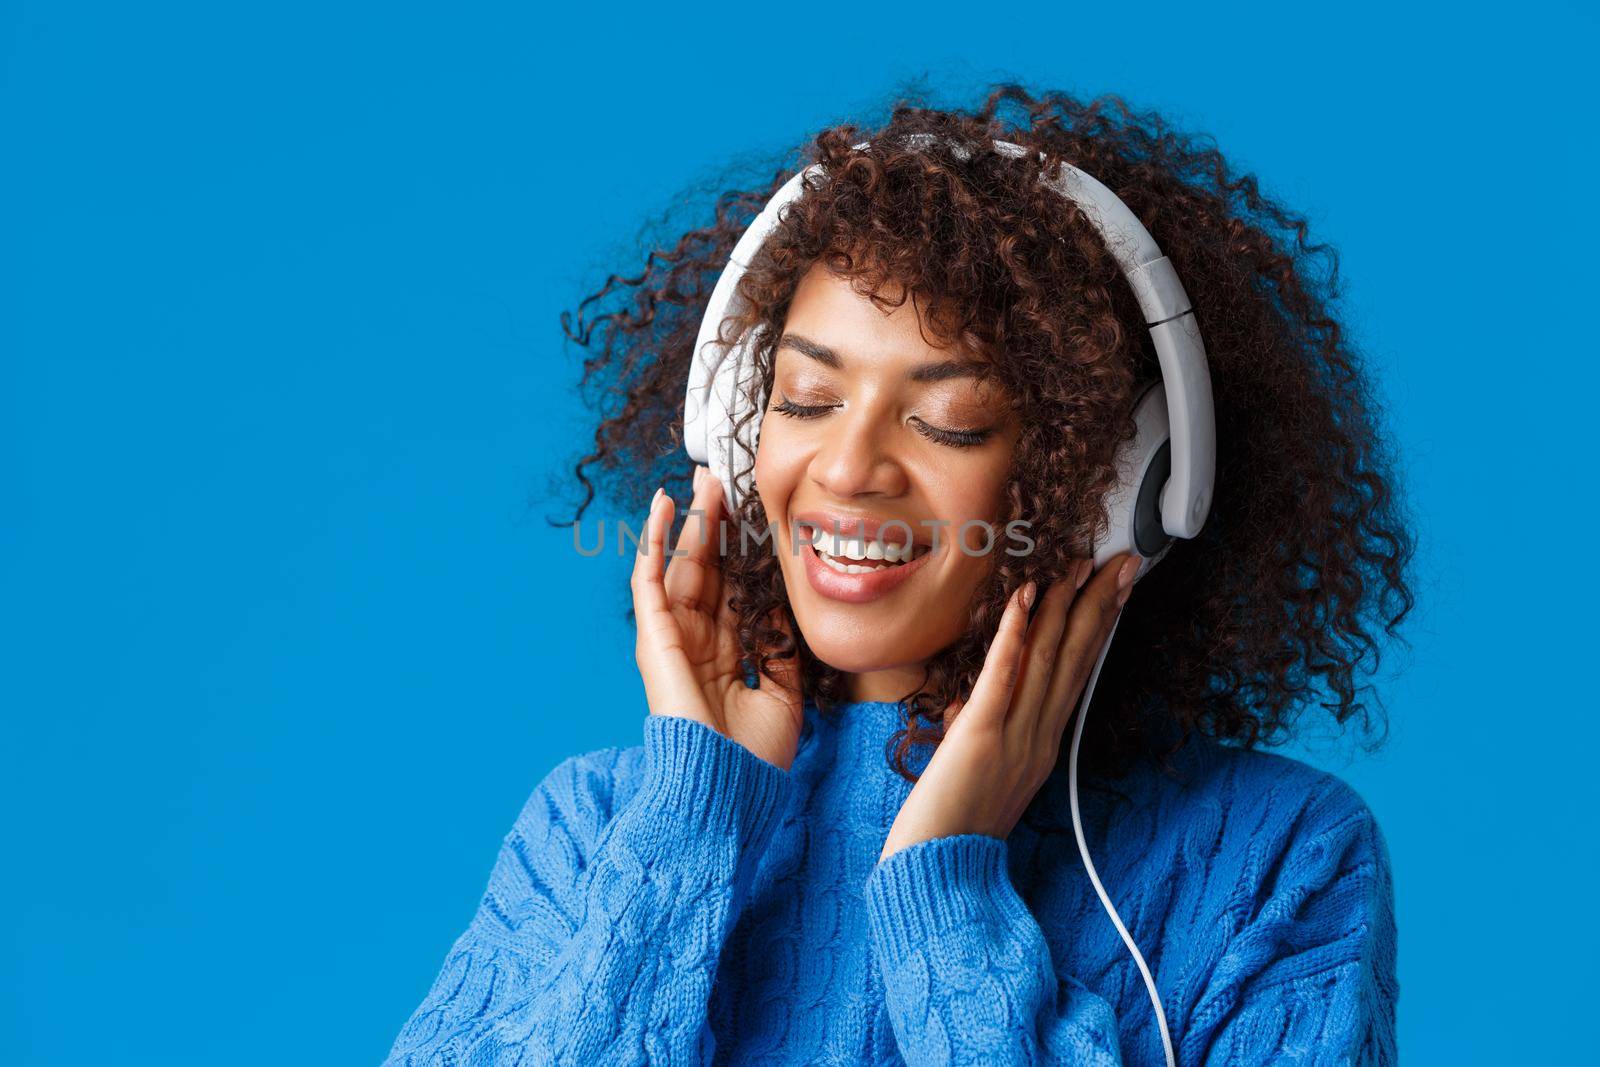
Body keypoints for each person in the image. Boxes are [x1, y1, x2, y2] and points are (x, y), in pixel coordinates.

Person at [381, 83, 1413, 1065]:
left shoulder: (1280, 857)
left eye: (947, 421)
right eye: (804, 400)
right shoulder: (599, 825)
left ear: (1119, 485)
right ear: (737, 437)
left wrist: (949, 900)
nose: (845, 469)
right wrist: (689, 825)